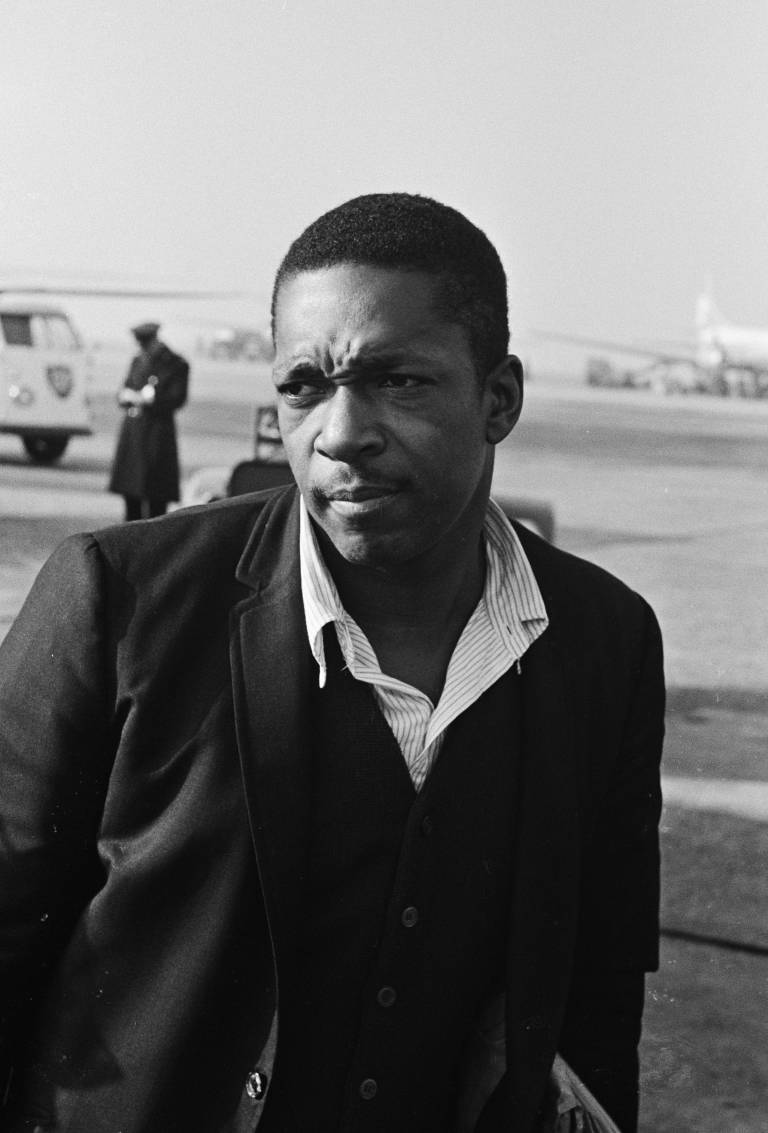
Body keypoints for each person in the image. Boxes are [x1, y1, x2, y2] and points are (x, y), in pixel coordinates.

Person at [0, 194, 664, 1133]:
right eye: (304, 386)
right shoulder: (122, 602)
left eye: (399, 381)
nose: (340, 431)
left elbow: (596, 996)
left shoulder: (605, 641)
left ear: (500, 399)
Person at [107, 321, 189, 520]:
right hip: (134, 434)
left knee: (156, 500)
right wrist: (127, 397)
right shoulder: (138, 361)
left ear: (155, 341)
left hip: (157, 436)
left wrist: (150, 400)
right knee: (131, 499)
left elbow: (177, 398)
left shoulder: (176, 364)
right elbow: (124, 390)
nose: (142, 349)